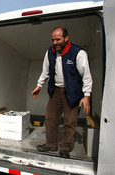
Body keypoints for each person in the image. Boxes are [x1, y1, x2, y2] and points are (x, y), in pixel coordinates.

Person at [31, 27, 92, 158]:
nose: (55, 42)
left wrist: (86, 95)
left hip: (73, 92)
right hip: (56, 90)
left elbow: (86, 76)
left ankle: (64, 147)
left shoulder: (78, 53)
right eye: (53, 40)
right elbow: (45, 71)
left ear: (66, 38)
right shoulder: (50, 52)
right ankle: (51, 144)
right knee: (50, 118)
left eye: (58, 39)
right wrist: (39, 85)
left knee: (70, 121)